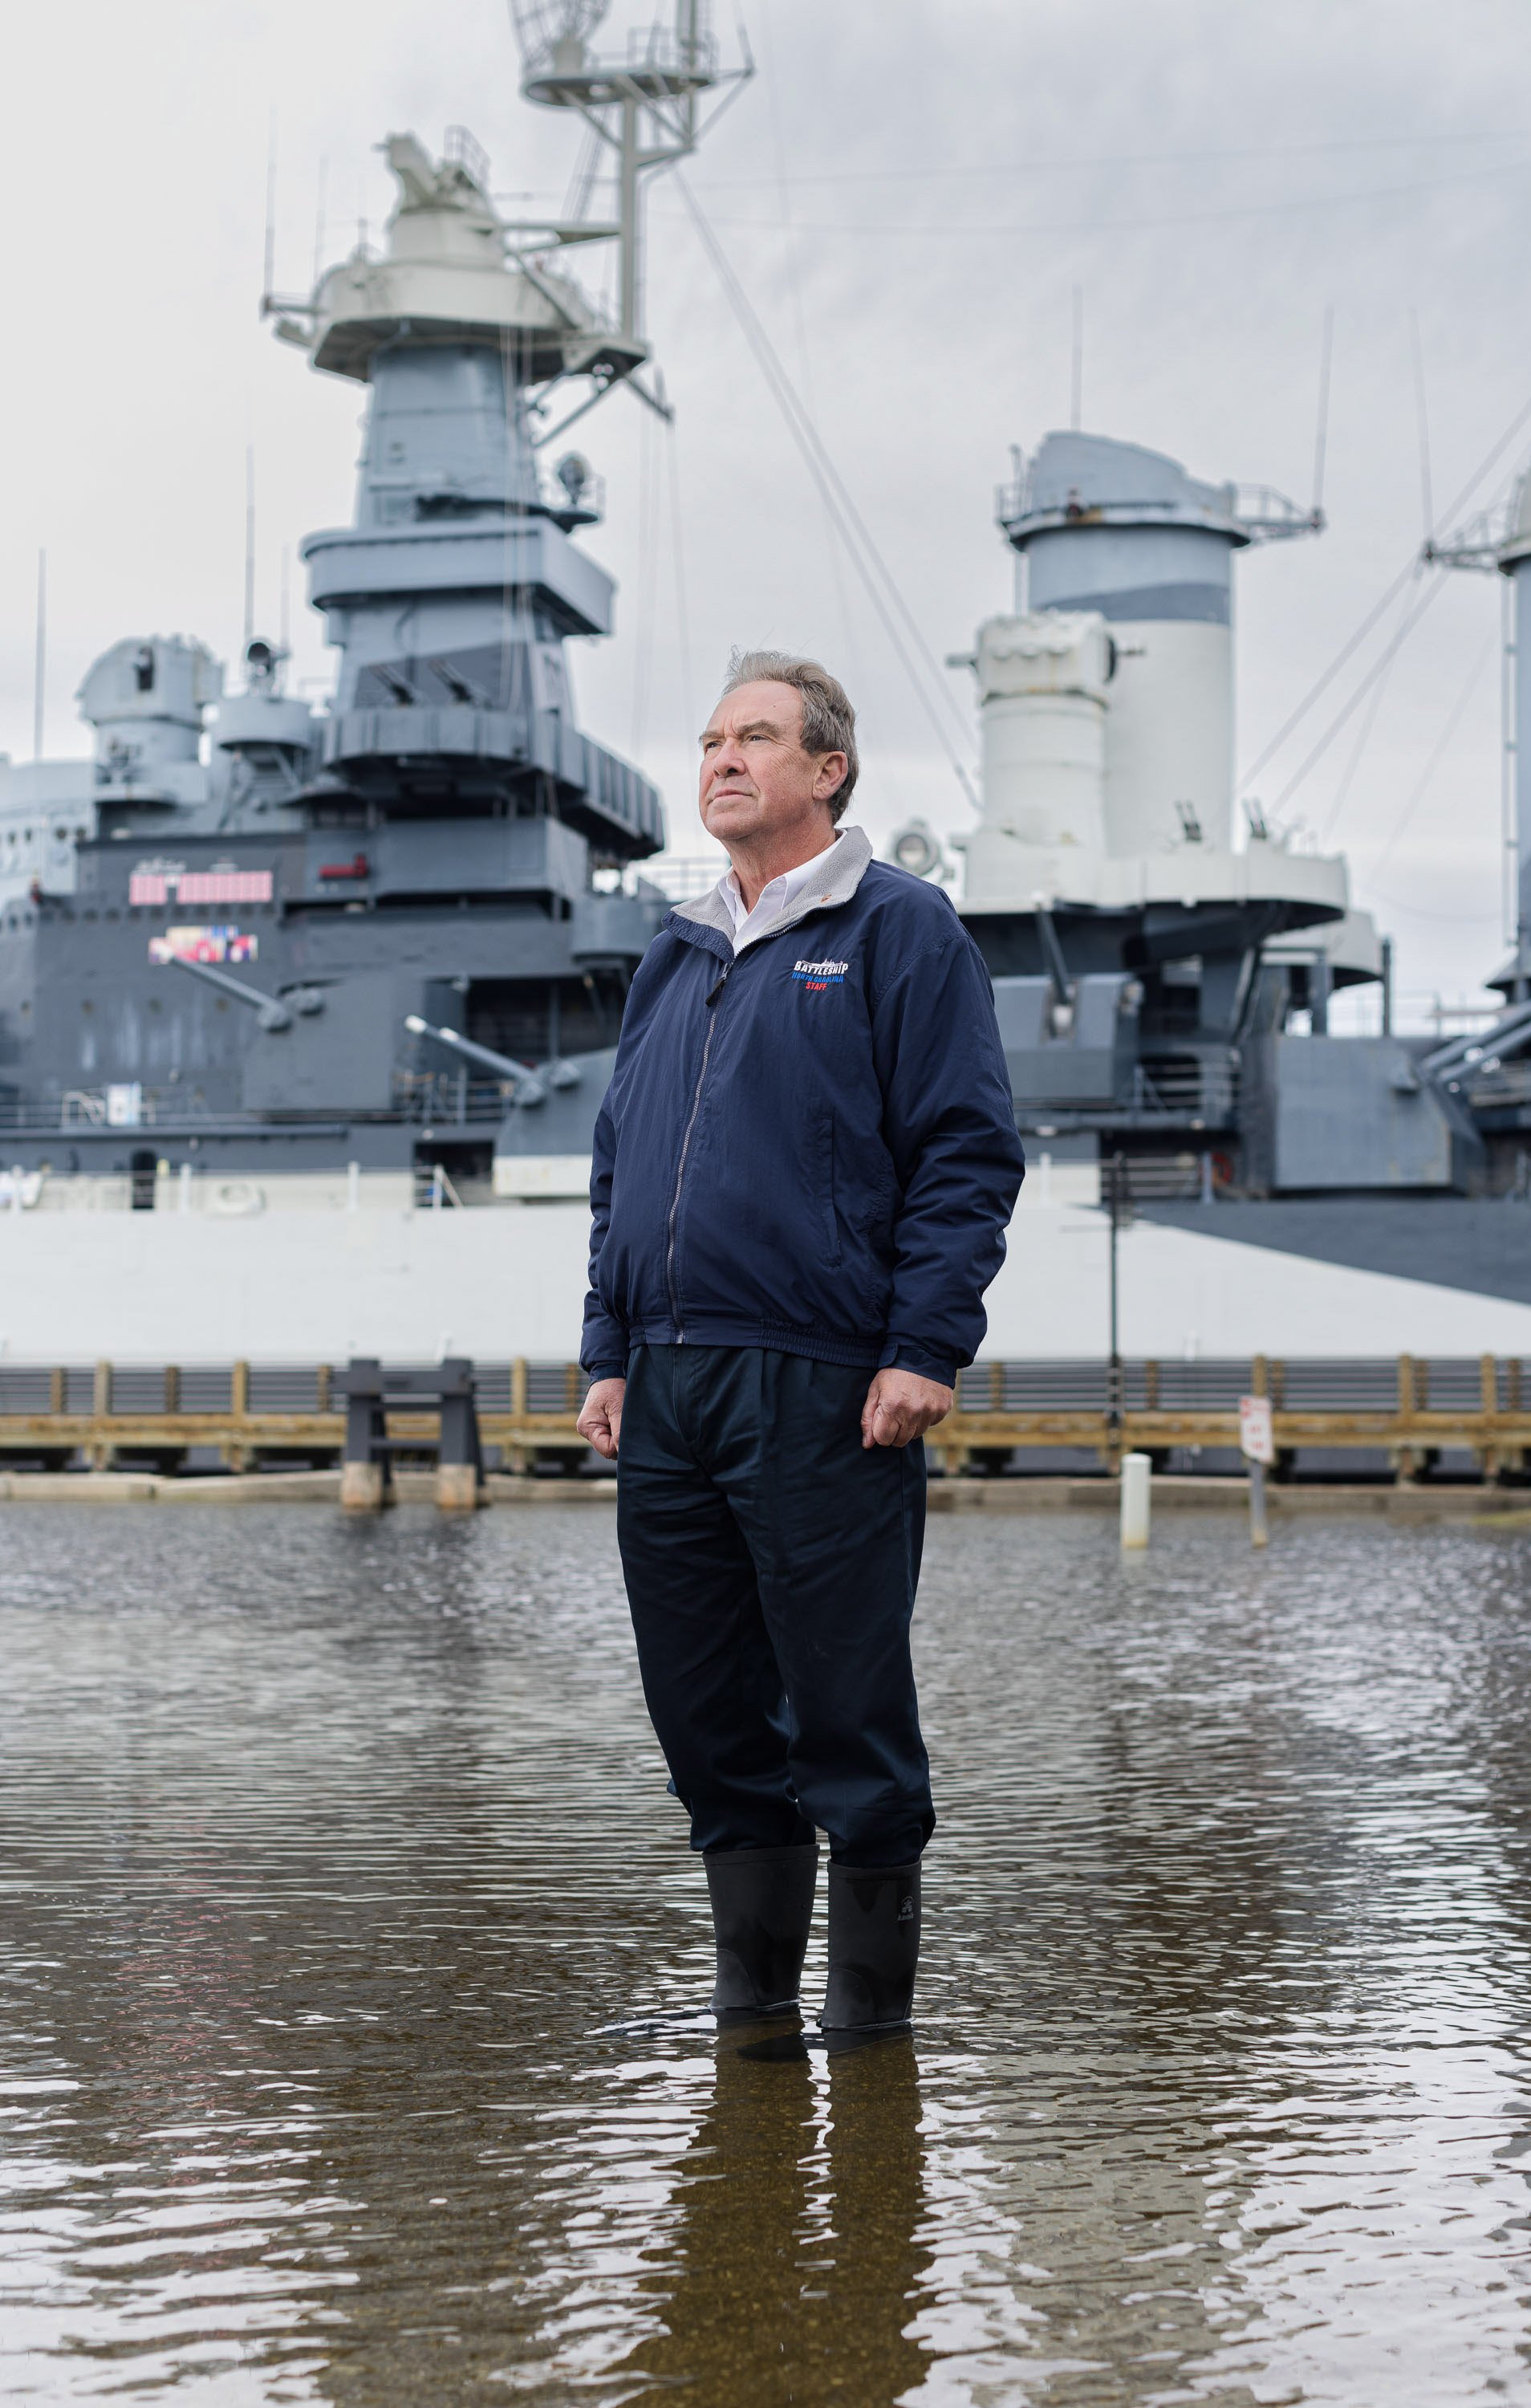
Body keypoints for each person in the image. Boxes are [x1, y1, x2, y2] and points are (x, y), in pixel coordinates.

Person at [576, 649, 1024, 2032]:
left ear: (825, 770)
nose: (721, 758)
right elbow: (620, 1168)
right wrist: (605, 1348)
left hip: (825, 1379)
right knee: (705, 1719)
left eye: (755, 738)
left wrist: (924, 1346)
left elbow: (964, 1152)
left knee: (846, 1712)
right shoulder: (675, 952)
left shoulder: (898, 930)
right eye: (710, 738)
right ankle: (754, 2033)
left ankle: (872, 2034)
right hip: (668, 1385)